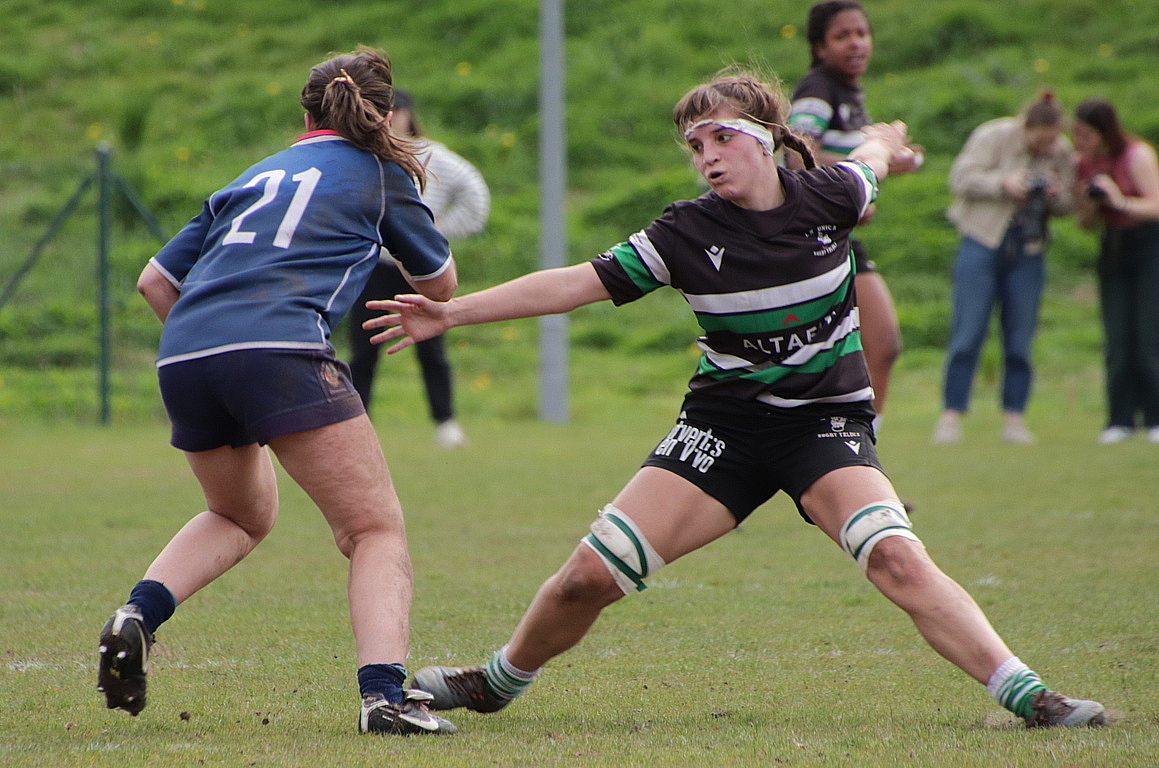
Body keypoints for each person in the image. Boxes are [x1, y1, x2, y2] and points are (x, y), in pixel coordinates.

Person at [363, 69, 1106, 730]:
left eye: (720, 136)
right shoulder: (684, 232)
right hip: (721, 429)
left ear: (765, 137)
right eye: (695, 145)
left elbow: (870, 161)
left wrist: (889, 144)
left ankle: (1030, 696)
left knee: (896, 558)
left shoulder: (833, 196)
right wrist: (450, 312)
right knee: (585, 579)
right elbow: (574, 283)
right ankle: (497, 682)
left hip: (823, 426)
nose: (707, 155)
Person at [98, 46, 458, 736]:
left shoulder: (255, 173)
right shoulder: (381, 172)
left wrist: (224, 353)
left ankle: (137, 614)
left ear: (307, 112)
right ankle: (384, 699)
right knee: (373, 529)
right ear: (383, 114)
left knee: (239, 515)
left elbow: (154, 281)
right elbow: (439, 284)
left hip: (186, 353)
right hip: (281, 349)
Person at [788, 0, 911, 427]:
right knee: (878, 344)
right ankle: (848, 450)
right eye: (842, 36)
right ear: (819, 47)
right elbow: (796, 152)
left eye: (862, 33)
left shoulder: (847, 92)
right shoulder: (818, 89)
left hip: (837, 236)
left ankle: (857, 449)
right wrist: (847, 192)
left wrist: (891, 160)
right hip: (814, 238)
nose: (856, 43)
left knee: (880, 346)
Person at [346, 89, 490, 449]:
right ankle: (356, 423)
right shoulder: (365, 155)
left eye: (396, 111)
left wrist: (430, 235)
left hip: (421, 269)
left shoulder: (432, 156)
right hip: (374, 265)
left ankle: (446, 422)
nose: (391, 119)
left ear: (409, 114)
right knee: (363, 349)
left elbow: (474, 195)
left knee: (432, 348)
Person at [931, 92, 1076, 445]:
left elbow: (1070, 203)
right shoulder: (993, 135)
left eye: (1052, 140)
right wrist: (1004, 183)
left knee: (1020, 337)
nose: (1047, 147)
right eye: (1040, 141)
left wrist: (1055, 195)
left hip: (1029, 248)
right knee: (968, 332)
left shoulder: (1061, 151)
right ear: (1026, 127)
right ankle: (951, 416)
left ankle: (1015, 418)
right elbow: (960, 177)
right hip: (981, 241)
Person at [1071, 98, 1159, 444]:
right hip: (1113, 249)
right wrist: (1090, 203)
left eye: (1085, 135)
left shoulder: (1137, 155)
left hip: (1148, 246)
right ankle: (1119, 419)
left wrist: (1119, 199)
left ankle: (1154, 416)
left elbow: (1156, 206)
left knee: (1148, 336)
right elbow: (1084, 224)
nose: (1079, 142)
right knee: (1117, 339)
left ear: (1104, 131)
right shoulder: (1083, 163)